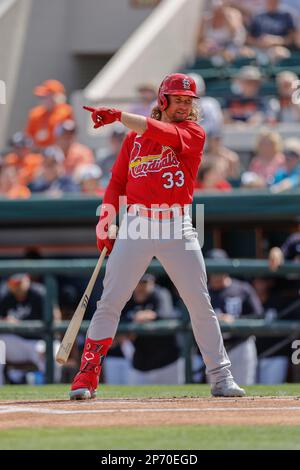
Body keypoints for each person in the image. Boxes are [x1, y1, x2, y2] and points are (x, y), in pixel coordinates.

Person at [69, 72, 246, 400]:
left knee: (199, 303)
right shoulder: (133, 139)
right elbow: (118, 183)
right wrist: (106, 219)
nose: (183, 106)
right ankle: (86, 378)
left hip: (176, 225)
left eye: (188, 101)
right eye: (177, 99)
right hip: (137, 224)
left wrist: (121, 116)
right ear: (162, 101)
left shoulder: (193, 131)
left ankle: (221, 376)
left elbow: (162, 131)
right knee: (110, 302)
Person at [206, 249, 263, 385]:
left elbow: (258, 316)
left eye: (220, 268)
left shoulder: (242, 289)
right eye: (214, 269)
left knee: (245, 387)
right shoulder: (203, 292)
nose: (217, 274)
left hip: (240, 345)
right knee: (218, 391)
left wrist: (235, 321)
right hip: (215, 349)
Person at [124, 273, 184, 385]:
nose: (141, 287)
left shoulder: (160, 293)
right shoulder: (127, 297)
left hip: (167, 362)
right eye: (137, 282)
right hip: (141, 363)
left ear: (152, 282)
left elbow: (164, 314)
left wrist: (145, 316)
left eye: (144, 283)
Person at [0, 274, 49, 385]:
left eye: (19, 283)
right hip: (17, 342)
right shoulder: (6, 296)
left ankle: (53, 387)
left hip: (39, 341)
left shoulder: (39, 293)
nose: (17, 287)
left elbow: (54, 319)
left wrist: (21, 323)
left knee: (50, 354)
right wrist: (4, 321)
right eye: (14, 284)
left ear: (27, 281)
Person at [26, 80, 73, 148]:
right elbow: (29, 138)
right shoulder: (35, 113)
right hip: (37, 153)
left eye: (45, 97)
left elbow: (69, 138)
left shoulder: (66, 112)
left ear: (56, 97)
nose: (42, 100)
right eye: (41, 97)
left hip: (59, 153)